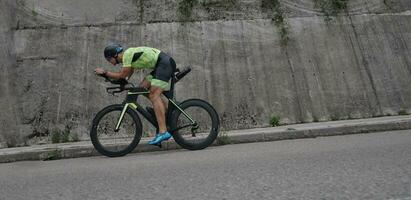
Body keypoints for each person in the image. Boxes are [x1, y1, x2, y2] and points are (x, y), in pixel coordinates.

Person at [94, 44, 175, 145]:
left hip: (164, 64)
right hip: (161, 65)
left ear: (114, 55)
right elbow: (125, 78)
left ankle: (163, 131)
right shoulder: (129, 60)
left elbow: (122, 75)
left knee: (154, 95)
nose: (109, 62)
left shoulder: (127, 55)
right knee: (142, 88)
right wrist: (118, 82)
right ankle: (163, 112)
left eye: (109, 59)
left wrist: (105, 72)